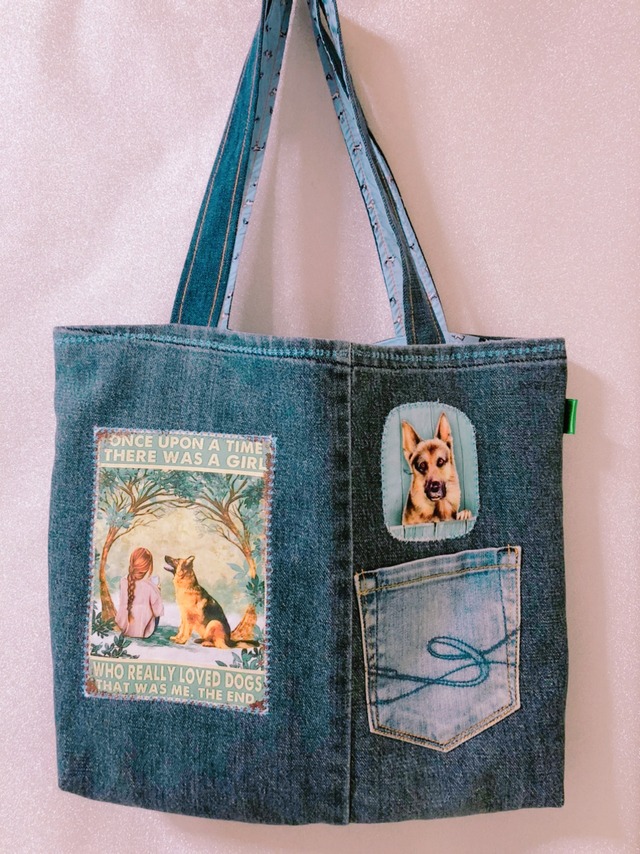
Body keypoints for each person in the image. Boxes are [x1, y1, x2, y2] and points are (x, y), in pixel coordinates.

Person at [115, 547, 164, 638]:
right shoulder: (150, 586)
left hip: (124, 628)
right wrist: (158, 591)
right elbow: (158, 611)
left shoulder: (123, 581)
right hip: (145, 632)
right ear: (148, 567)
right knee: (154, 608)